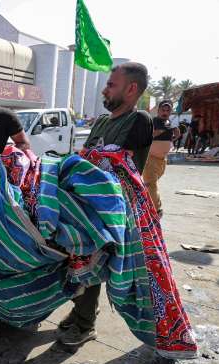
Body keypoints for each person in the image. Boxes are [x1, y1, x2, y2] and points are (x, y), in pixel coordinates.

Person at [57, 62, 153, 348]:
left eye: (112, 84)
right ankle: (81, 312)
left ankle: (86, 324)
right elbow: (86, 158)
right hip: (85, 205)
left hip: (113, 210)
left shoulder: (139, 121)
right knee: (75, 262)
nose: (105, 88)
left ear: (131, 89)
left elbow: (123, 169)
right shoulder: (101, 121)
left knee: (91, 264)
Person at [142, 99, 179, 217]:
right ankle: (157, 210)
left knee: (151, 185)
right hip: (150, 159)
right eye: (163, 109)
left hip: (162, 160)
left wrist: (175, 133)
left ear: (170, 112)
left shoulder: (169, 122)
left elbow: (176, 135)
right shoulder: (154, 121)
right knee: (152, 184)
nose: (165, 112)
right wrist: (164, 130)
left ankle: (146, 204)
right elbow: (150, 134)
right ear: (158, 111)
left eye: (168, 110)